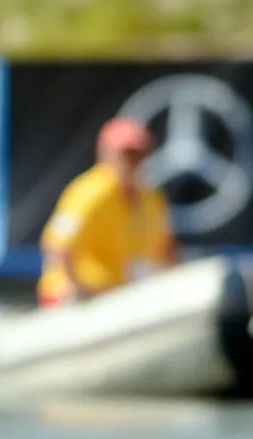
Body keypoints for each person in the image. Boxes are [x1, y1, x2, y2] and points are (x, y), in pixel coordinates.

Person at [37, 117, 180, 307]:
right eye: (126, 154)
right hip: (77, 299)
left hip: (119, 297)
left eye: (138, 154)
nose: (133, 162)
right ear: (105, 153)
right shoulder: (88, 193)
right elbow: (57, 245)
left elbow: (167, 250)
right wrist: (78, 288)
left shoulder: (152, 198)